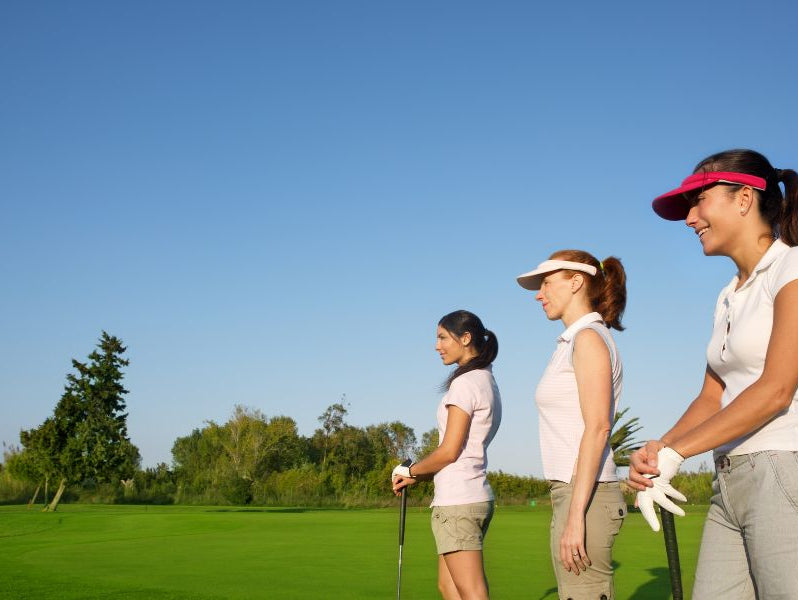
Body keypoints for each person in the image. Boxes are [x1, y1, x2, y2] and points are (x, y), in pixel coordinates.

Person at [629, 149, 798, 599]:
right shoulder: (727, 295)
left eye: (699, 200)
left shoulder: (791, 267)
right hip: (729, 479)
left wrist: (678, 453)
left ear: (744, 198)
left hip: (783, 471)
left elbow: (777, 390)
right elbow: (711, 397)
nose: (690, 218)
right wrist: (658, 451)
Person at [516, 250, 627, 600]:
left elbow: (597, 428)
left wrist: (576, 515)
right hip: (574, 492)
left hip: (586, 494)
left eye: (547, 283)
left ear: (576, 282)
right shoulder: (572, 341)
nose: (539, 293)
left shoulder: (589, 338)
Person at [392, 310, 501, 600]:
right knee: (449, 587)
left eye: (442, 337)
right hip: (469, 495)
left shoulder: (465, 384)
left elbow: (450, 451)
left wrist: (411, 471)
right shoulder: (485, 379)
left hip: (459, 500)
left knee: (471, 592)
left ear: (465, 338)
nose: (436, 345)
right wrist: (420, 475)